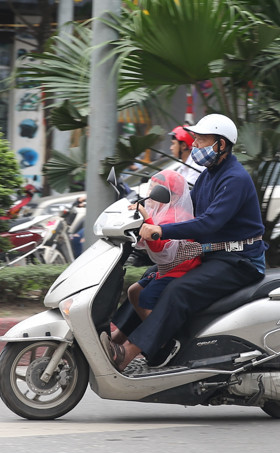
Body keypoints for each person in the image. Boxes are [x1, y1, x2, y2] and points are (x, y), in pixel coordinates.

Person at [102, 114, 267, 374]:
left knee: (179, 290)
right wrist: (145, 211)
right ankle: (114, 342)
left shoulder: (234, 178)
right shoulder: (208, 176)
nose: (195, 146)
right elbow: (184, 208)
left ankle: (131, 353)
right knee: (149, 280)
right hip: (212, 255)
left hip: (240, 261)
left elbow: (208, 223)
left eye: (201, 140)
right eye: (195, 140)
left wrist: (161, 230)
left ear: (221, 145)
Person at [110, 169, 201, 343]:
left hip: (179, 270)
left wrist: (145, 217)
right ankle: (131, 337)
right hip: (167, 268)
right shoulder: (161, 211)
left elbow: (160, 247)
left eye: (157, 190)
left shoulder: (176, 216)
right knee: (134, 291)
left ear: (173, 198)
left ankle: (161, 339)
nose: (151, 194)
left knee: (145, 297)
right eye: (151, 188)